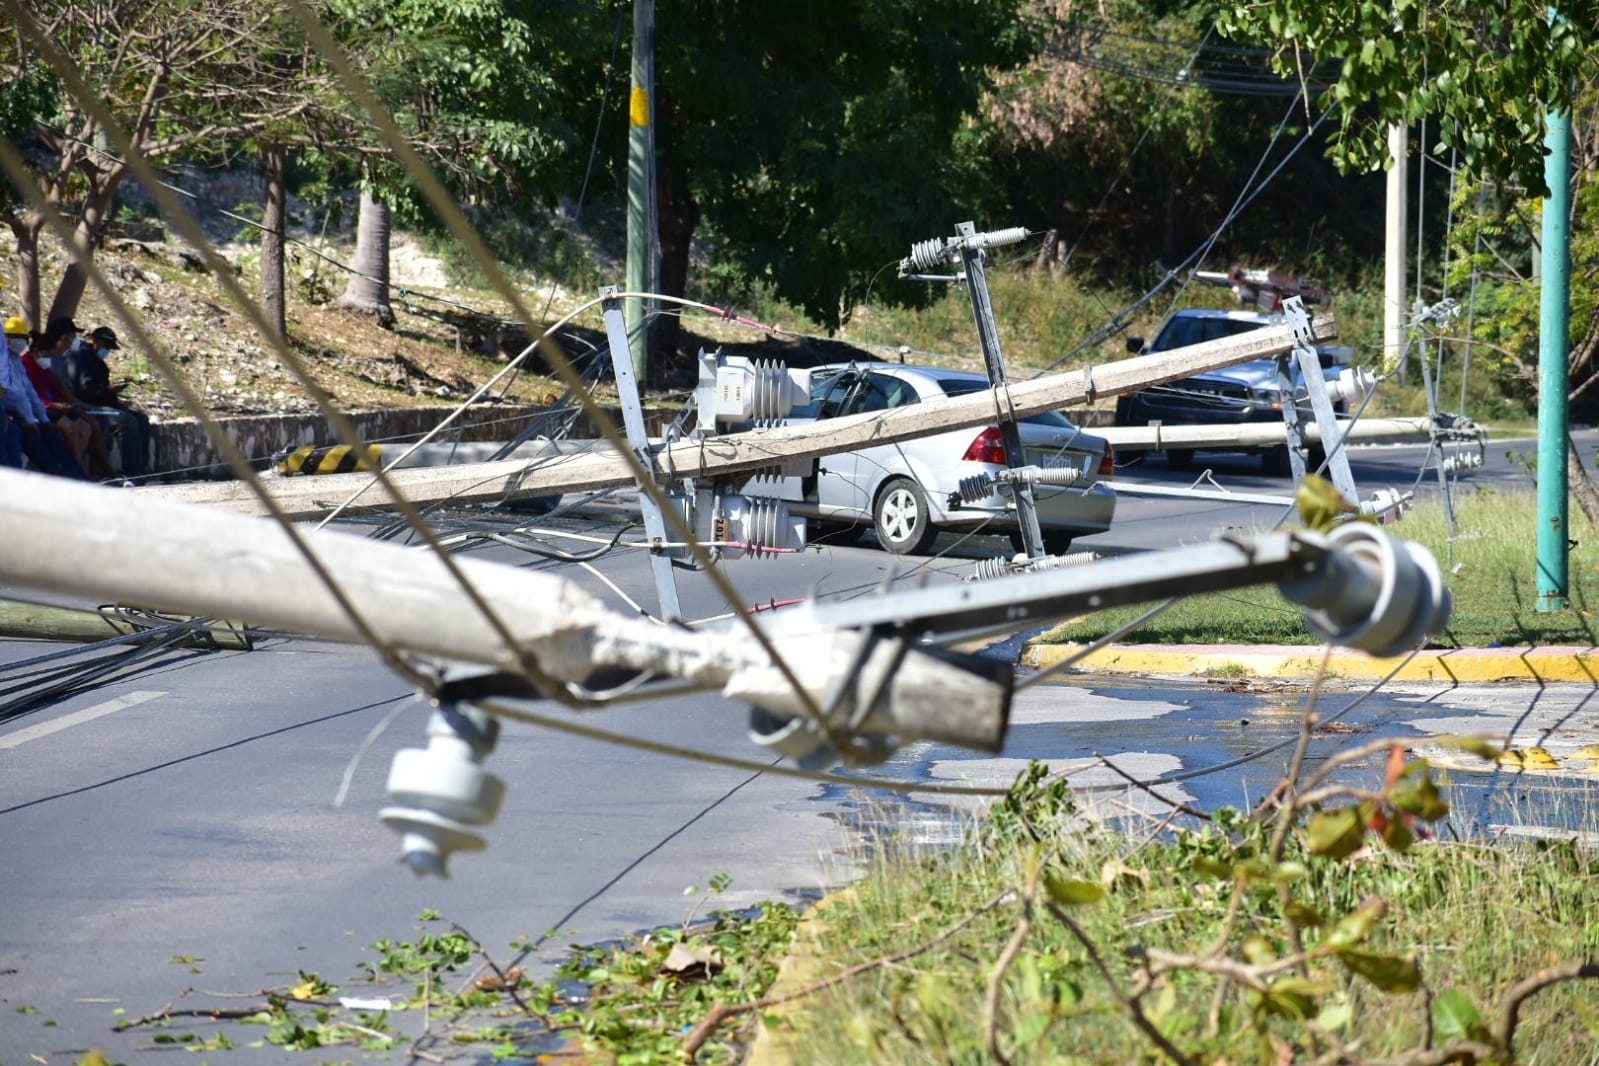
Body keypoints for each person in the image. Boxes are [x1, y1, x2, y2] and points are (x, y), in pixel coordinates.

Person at [23, 319, 115, 479]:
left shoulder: (47, 363)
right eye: (71, 336)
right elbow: (30, 396)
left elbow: (61, 388)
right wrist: (55, 406)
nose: (73, 341)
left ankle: (86, 472)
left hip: (55, 406)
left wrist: (75, 406)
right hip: (44, 409)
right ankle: (77, 475)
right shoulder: (28, 364)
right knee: (70, 427)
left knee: (88, 427)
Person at [1, 315, 87, 478]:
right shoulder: (6, 361)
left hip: (26, 416)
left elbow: (30, 393)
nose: (20, 342)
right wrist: (28, 419)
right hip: (13, 415)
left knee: (51, 437)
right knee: (21, 441)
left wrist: (43, 419)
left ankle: (76, 478)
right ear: (6, 338)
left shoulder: (16, 361)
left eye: (23, 339)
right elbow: (14, 395)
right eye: (16, 338)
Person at [62, 325, 151, 478]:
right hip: (88, 407)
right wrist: (108, 390)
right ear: (95, 341)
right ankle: (131, 472)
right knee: (127, 421)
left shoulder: (96, 361)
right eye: (106, 346)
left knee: (141, 418)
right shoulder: (77, 358)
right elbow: (85, 390)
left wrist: (115, 399)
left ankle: (142, 468)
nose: (107, 351)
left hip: (103, 404)